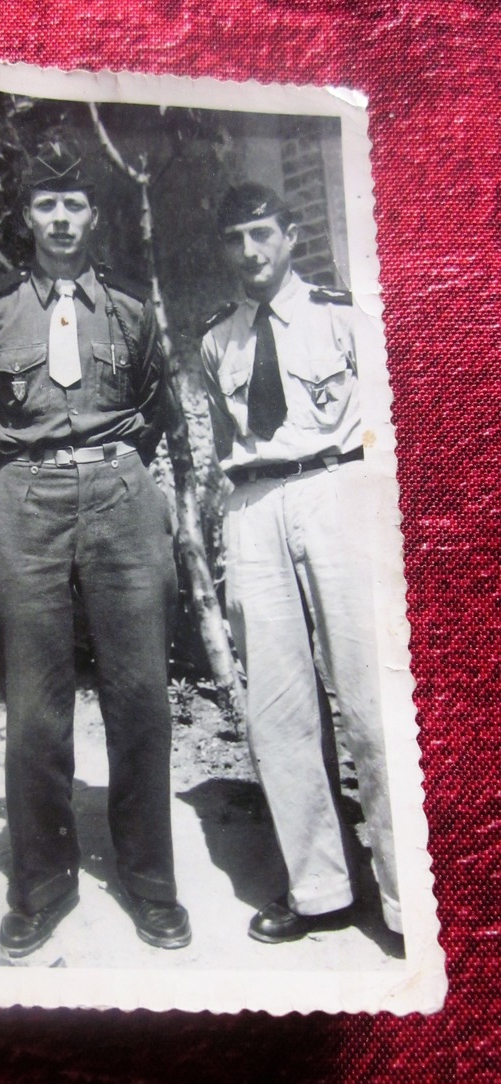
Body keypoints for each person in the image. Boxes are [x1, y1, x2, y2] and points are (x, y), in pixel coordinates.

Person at [0, 137, 191, 958]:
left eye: (74, 205)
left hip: (121, 496)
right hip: (28, 498)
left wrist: (116, 467)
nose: (60, 219)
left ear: (93, 216)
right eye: (45, 205)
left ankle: (150, 883)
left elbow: (157, 401)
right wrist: (23, 485)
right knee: (34, 707)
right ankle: (42, 886)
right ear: (27, 217)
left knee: (140, 700)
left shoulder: (129, 305)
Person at [200, 182, 402, 943]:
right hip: (252, 506)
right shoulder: (217, 338)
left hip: (336, 489)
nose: (248, 253)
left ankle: (403, 897)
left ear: (289, 237)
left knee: (366, 693)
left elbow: (389, 421)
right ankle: (317, 889)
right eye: (234, 239)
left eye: (261, 234)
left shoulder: (342, 316)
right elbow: (229, 435)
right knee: (279, 706)